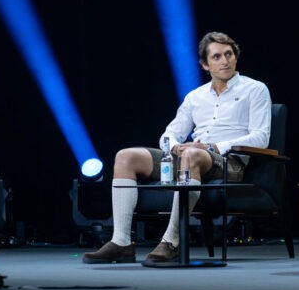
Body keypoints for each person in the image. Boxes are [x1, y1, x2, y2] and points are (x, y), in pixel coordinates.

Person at [83, 31, 271, 265]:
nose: (225, 61)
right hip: (191, 157)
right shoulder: (195, 97)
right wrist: (174, 147)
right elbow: (169, 134)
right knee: (126, 156)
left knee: (192, 154)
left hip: (229, 162)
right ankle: (121, 242)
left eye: (228, 54)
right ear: (205, 65)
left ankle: (171, 242)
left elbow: (261, 137)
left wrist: (213, 146)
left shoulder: (255, 89)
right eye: (216, 57)